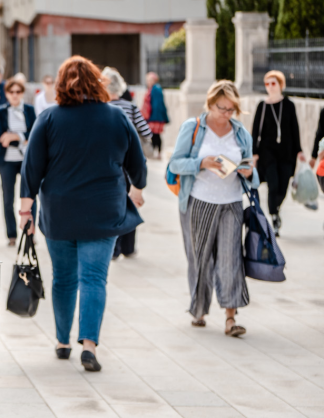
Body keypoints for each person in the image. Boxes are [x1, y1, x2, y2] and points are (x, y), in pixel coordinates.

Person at [19, 56, 146, 372]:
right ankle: (88, 345)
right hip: (103, 210)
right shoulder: (116, 117)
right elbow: (138, 163)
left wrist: (25, 209)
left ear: (61, 85)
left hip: (59, 211)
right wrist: (138, 188)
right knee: (94, 278)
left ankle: (62, 342)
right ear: (96, 82)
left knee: (63, 278)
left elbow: (30, 168)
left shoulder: (49, 118)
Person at [168, 81, 258, 336]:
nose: (227, 114)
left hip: (231, 202)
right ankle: (199, 309)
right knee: (200, 259)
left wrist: (249, 171)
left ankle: (231, 317)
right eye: (222, 108)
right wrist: (202, 163)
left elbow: (252, 173)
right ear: (210, 104)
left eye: (231, 109)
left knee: (231, 260)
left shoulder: (240, 133)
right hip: (198, 201)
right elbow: (175, 164)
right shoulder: (193, 128)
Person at [102, 67, 150, 259]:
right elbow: (147, 132)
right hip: (129, 163)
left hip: (108, 164)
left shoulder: (100, 109)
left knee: (111, 206)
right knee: (130, 204)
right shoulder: (130, 108)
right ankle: (129, 248)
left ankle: (114, 248)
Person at [252, 70, 305, 234]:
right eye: (267, 84)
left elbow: (295, 129)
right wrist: (254, 153)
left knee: (283, 186)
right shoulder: (262, 105)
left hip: (286, 152)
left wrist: (299, 151)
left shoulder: (288, 104)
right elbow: (255, 131)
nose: (269, 87)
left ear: (280, 85)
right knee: (273, 184)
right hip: (267, 153)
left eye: (273, 83)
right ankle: (274, 215)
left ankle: (276, 209)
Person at [0, 76, 36, 246]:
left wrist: (14, 135)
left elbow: (33, 134)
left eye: (18, 92)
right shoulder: (1, 111)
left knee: (30, 197)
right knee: (7, 198)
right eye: (11, 92)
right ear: (7, 94)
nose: (15, 95)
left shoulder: (30, 110)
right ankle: (11, 235)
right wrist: (19, 138)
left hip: (27, 159)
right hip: (7, 159)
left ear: (22, 93)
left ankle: (30, 233)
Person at [142, 72, 169, 159]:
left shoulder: (155, 89)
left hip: (155, 117)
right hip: (153, 116)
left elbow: (157, 105)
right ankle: (156, 152)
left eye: (150, 80)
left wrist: (151, 117)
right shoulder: (153, 89)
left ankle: (158, 152)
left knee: (155, 135)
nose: (148, 82)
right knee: (154, 135)